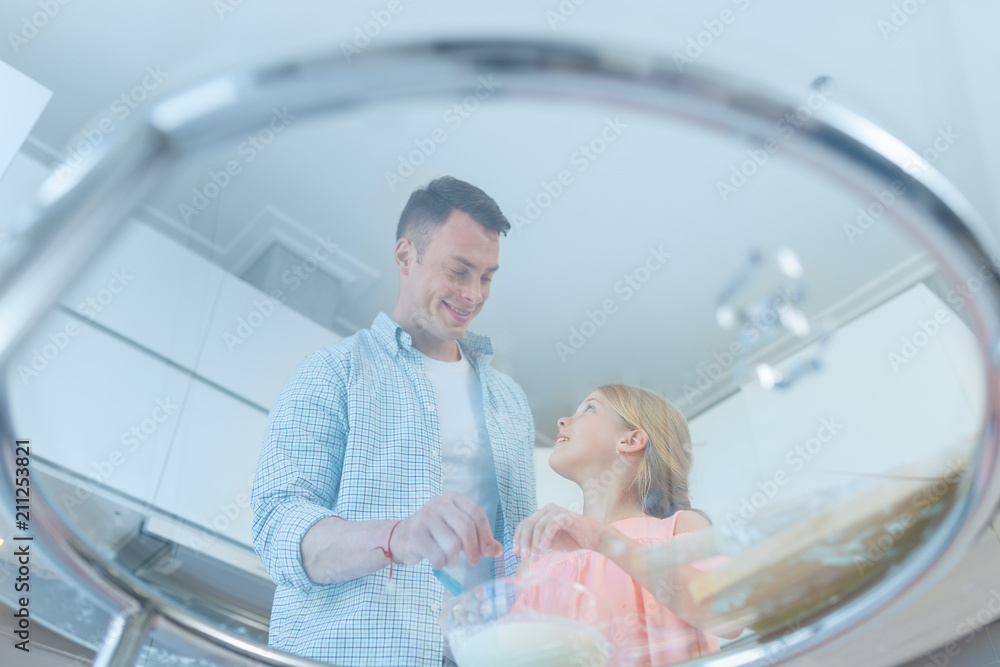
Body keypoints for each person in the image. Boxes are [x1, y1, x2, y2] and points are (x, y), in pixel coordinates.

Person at [251, 176, 537, 667]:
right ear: (406, 257)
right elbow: (279, 529)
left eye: (487, 277)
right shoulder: (333, 373)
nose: (473, 294)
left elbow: (522, 561)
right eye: (459, 270)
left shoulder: (510, 402)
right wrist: (398, 537)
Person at [513, 384, 739, 666]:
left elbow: (730, 616)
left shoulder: (680, 528)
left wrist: (603, 540)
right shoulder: (535, 567)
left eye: (590, 408)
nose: (562, 421)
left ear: (631, 441)